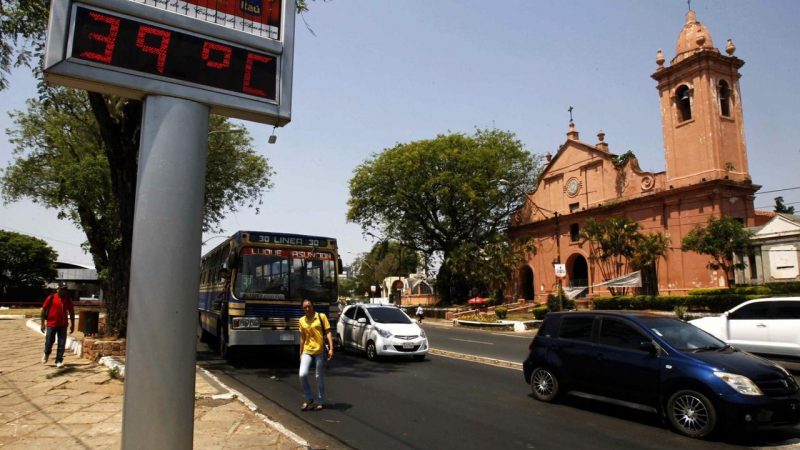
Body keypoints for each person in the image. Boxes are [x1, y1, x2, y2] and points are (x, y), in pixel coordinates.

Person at [298, 299, 334, 411]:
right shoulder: (302, 320)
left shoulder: (321, 317)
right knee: (302, 374)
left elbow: (328, 332)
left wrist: (331, 348)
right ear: (303, 309)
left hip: (320, 351)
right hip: (307, 351)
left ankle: (320, 400)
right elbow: (302, 337)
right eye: (305, 307)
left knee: (319, 376)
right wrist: (300, 352)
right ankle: (309, 398)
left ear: (313, 306)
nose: (307, 309)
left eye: (309, 306)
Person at [40, 284, 75, 368]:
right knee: (49, 341)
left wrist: (73, 324)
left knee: (62, 344)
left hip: (63, 325)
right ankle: (46, 353)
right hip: (51, 324)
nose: (64, 291)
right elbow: (43, 310)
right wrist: (42, 324)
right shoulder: (51, 298)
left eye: (65, 289)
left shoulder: (68, 299)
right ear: (57, 289)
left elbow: (71, 312)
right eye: (62, 289)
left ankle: (59, 360)